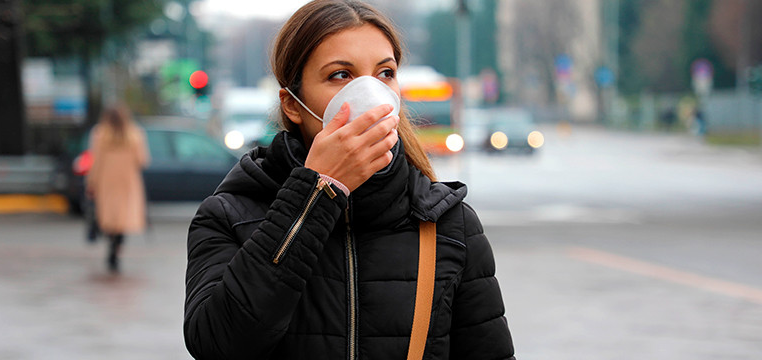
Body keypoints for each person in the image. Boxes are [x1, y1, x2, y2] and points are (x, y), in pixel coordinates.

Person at [184, 1, 516, 359]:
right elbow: (217, 344)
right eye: (341, 75)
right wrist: (316, 194)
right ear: (293, 104)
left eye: (385, 73)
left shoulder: (449, 224)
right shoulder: (229, 216)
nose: (370, 94)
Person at [86, 104, 150, 272]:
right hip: (128, 181)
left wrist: (91, 182)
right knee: (123, 218)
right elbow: (143, 160)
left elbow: (96, 162)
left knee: (109, 217)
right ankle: (117, 248)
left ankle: (111, 244)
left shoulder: (100, 134)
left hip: (106, 181)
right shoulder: (135, 134)